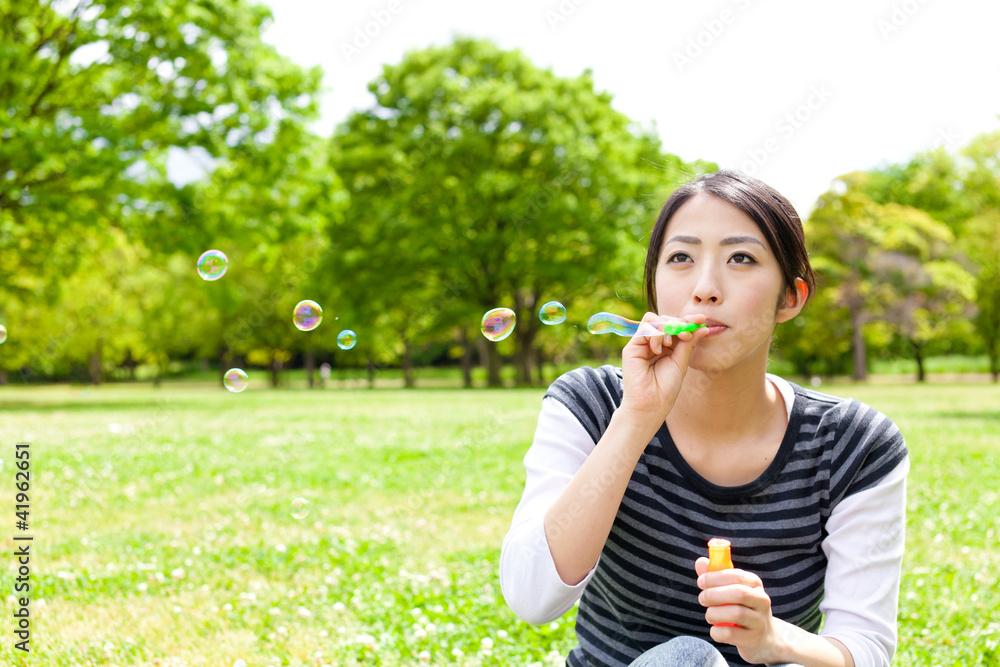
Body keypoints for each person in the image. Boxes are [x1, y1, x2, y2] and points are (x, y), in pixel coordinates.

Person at [499, 170, 908, 667]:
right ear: (654, 288)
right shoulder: (591, 404)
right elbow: (531, 596)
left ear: (791, 297)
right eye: (680, 258)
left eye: (741, 258)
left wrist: (774, 640)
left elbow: (866, 651)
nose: (706, 288)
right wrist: (636, 418)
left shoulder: (854, 445)